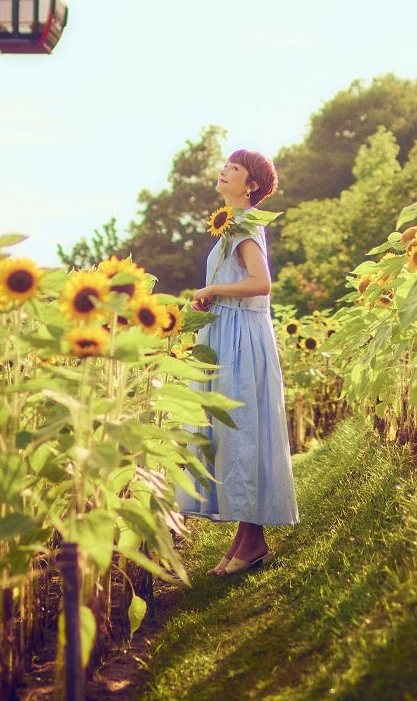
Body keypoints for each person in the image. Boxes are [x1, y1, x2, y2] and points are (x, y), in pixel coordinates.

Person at [178, 148, 299, 575]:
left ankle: (253, 542)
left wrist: (211, 292)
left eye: (234, 168)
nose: (224, 171)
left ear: (251, 186)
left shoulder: (246, 225)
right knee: (233, 434)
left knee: (242, 430)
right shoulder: (232, 225)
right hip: (227, 332)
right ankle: (247, 540)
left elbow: (260, 283)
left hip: (241, 337)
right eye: (225, 165)